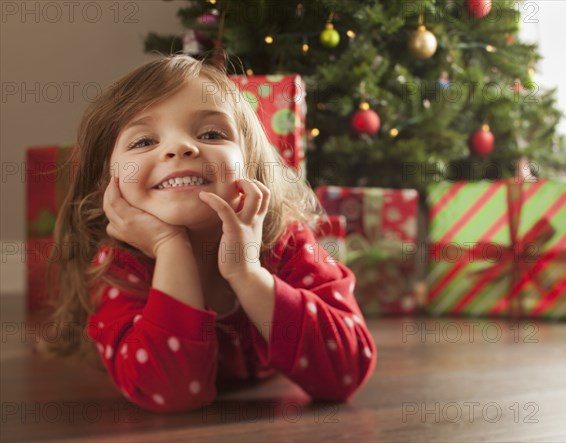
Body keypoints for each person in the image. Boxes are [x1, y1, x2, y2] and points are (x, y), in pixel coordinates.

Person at [46, 54, 376, 412]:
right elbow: (172, 392)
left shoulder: (287, 243)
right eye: (143, 142)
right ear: (106, 182)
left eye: (211, 134)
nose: (180, 148)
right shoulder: (119, 266)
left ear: (251, 167)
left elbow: (347, 371)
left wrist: (247, 274)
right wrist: (170, 248)